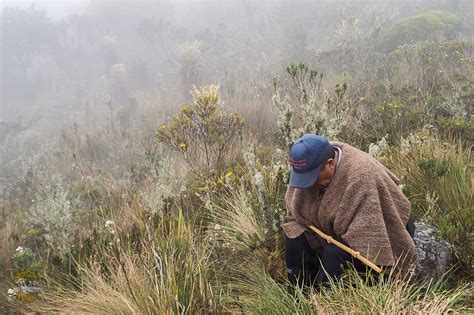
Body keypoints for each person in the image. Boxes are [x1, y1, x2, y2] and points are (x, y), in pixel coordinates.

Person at [282, 134, 415, 288]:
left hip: (379, 229)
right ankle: (299, 296)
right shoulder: (310, 161)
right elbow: (297, 210)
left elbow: (368, 233)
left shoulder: (361, 176)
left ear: (330, 164)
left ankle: (328, 303)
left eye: (311, 178)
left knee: (334, 256)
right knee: (294, 238)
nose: (306, 185)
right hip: (336, 229)